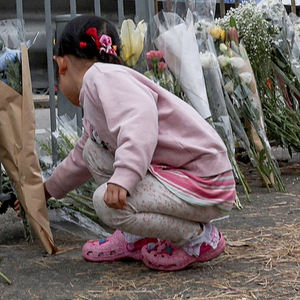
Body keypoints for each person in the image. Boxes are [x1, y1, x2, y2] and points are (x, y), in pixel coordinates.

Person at [43, 14, 237, 271]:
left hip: (204, 183)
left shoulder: (100, 78)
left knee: (106, 204)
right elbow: (81, 157)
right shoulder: (104, 82)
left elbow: (140, 121)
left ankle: (198, 239)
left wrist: (123, 177)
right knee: (92, 148)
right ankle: (137, 238)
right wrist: (47, 190)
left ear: (61, 64)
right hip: (191, 177)